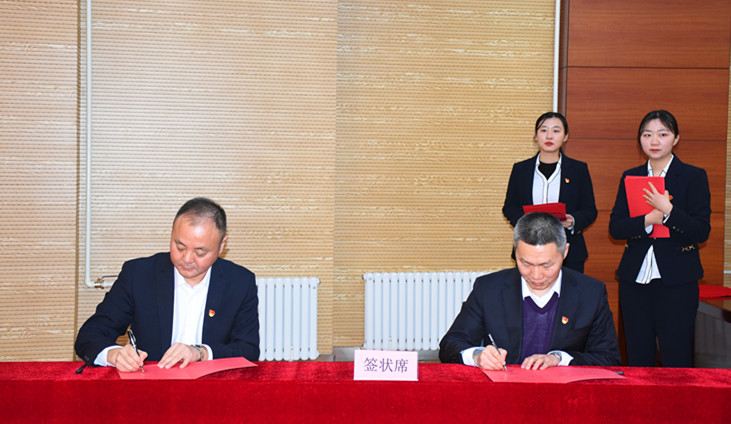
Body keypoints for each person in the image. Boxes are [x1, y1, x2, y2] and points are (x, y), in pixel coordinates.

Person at [75, 197, 260, 372]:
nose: (187, 258)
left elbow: (248, 349)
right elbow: (90, 335)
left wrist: (200, 352)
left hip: (212, 386)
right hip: (152, 386)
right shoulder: (139, 275)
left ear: (221, 245)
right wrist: (114, 355)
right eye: (180, 247)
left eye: (200, 252)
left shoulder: (240, 282)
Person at [439, 212, 620, 370]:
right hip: (506, 390)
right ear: (515, 253)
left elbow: (609, 358)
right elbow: (450, 345)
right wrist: (477, 356)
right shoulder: (489, 289)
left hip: (565, 393)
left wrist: (560, 359)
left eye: (546, 265)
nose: (536, 275)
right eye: (525, 263)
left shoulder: (591, 293)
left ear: (565, 252)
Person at [609, 110, 710, 367]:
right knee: (637, 354)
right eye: (647, 135)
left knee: (676, 354)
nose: (654, 141)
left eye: (662, 134)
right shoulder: (630, 176)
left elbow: (701, 231)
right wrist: (648, 220)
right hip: (635, 279)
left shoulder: (693, 176)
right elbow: (616, 228)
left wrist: (669, 212)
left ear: (676, 139)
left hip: (677, 280)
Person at [502, 112, 597, 272]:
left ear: (565, 136)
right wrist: (527, 223)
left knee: (568, 289)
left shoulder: (578, 170)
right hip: (528, 247)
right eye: (544, 130)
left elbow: (590, 210)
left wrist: (573, 220)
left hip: (568, 250)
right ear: (535, 135)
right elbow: (509, 207)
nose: (549, 136)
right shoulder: (521, 169)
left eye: (556, 131)